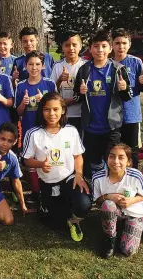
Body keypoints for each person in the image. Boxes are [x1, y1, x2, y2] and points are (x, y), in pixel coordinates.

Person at [23, 92, 91, 242]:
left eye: (56, 109)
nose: (51, 114)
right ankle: (44, 199)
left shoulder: (71, 131)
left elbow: (78, 155)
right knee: (53, 222)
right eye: (47, 109)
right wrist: (40, 164)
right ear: (41, 111)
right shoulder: (33, 134)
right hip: (47, 182)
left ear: (63, 110)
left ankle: (73, 221)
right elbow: (27, 160)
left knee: (84, 204)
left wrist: (79, 174)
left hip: (69, 178)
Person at [73, 29, 132, 182]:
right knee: (91, 162)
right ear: (90, 48)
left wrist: (124, 89)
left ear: (110, 48)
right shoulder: (84, 69)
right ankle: (93, 189)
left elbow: (127, 97)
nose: (100, 50)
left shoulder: (118, 69)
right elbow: (76, 96)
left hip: (111, 127)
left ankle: (113, 190)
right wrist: (80, 92)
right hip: (90, 126)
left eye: (104, 46)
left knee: (113, 161)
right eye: (96, 46)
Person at [92, 143, 143, 258]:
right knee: (108, 204)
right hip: (114, 211)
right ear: (106, 159)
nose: (115, 161)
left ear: (129, 162)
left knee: (128, 250)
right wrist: (108, 196)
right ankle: (110, 238)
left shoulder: (136, 175)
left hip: (134, 212)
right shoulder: (97, 178)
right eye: (112, 156)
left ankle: (132, 224)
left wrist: (131, 201)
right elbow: (97, 201)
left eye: (121, 157)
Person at [15, 51, 57, 199]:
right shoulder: (20, 86)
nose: (34, 68)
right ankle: (36, 191)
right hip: (29, 129)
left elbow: (57, 108)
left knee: (47, 158)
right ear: (25, 66)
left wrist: (44, 101)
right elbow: (18, 112)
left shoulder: (49, 83)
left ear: (43, 66)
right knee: (31, 161)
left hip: (47, 129)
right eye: (31, 64)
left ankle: (50, 187)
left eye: (37, 64)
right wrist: (23, 103)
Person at [112, 29, 143, 168]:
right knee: (114, 148)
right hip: (113, 115)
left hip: (132, 115)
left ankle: (133, 177)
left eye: (124, 43)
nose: (121, 46)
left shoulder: (136, 62)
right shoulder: (108, 63)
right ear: (112, 45)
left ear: (129, 44)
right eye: (117, 43)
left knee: (132, 150)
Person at [50, 31, 86, 135]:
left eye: (74, 45)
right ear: (62, 47)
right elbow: (52, 91)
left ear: (80, 46)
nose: (71, 48)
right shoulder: (57, 66)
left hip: (81, 114)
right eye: (67, 45)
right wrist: (60, 80)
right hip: (62, 114)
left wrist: (74, 100)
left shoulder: (85, 66)